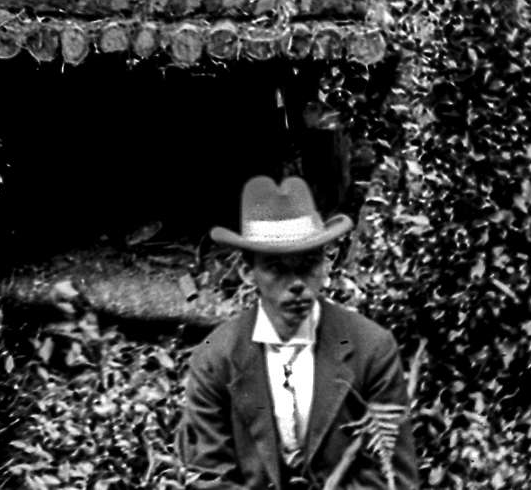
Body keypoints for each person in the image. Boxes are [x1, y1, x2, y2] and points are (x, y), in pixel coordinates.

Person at [178, 174, 419, 489]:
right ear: (247, 273)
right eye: (277, 268)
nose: (296, 285)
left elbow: (394, 476)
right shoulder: (216, 357)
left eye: (308, 266)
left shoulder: (370, 348)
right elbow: (209, 476)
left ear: (325, 266)